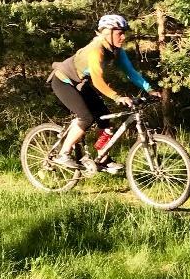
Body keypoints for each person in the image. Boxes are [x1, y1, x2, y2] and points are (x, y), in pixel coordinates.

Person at [49, 14, 161, 172]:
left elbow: (130, 72)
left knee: (105, 119)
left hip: (81, 83)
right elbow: (98, 81)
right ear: (107, 33)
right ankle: (63, 153)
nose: (123, 37)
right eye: (119, 33)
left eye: (123, 33)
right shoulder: (97, 51)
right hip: (63, 81)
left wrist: (150, 89)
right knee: (86, 117)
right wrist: (117, 96)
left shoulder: (116, 51)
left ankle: (102, 158)